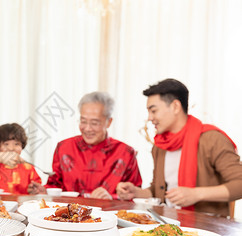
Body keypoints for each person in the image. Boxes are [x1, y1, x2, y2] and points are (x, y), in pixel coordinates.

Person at [116, 78, 242, 217]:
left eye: (153, 111)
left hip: (206, 229)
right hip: (167, 225)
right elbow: (160, 189)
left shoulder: (212, 139)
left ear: (175, 106)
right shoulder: (160, 145)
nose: (149, 118)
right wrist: (136, 192)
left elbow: (239, 184)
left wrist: (196, 194)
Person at [28, 92, 142, 199]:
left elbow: (134, 196)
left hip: (110, 216)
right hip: (68, 217)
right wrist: (44, 192)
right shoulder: (63, 147)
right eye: (83, 121)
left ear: (109, 122)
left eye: (94, 123)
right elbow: (55, 186)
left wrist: (111, 198)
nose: (87, 128)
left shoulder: (125, 152)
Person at [0, 123, 42, 194]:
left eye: (16, 144)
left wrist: (34, 190)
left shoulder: (29, 168)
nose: (11, 148)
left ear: (22, 146)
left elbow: (38, 187)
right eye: (6, 144)